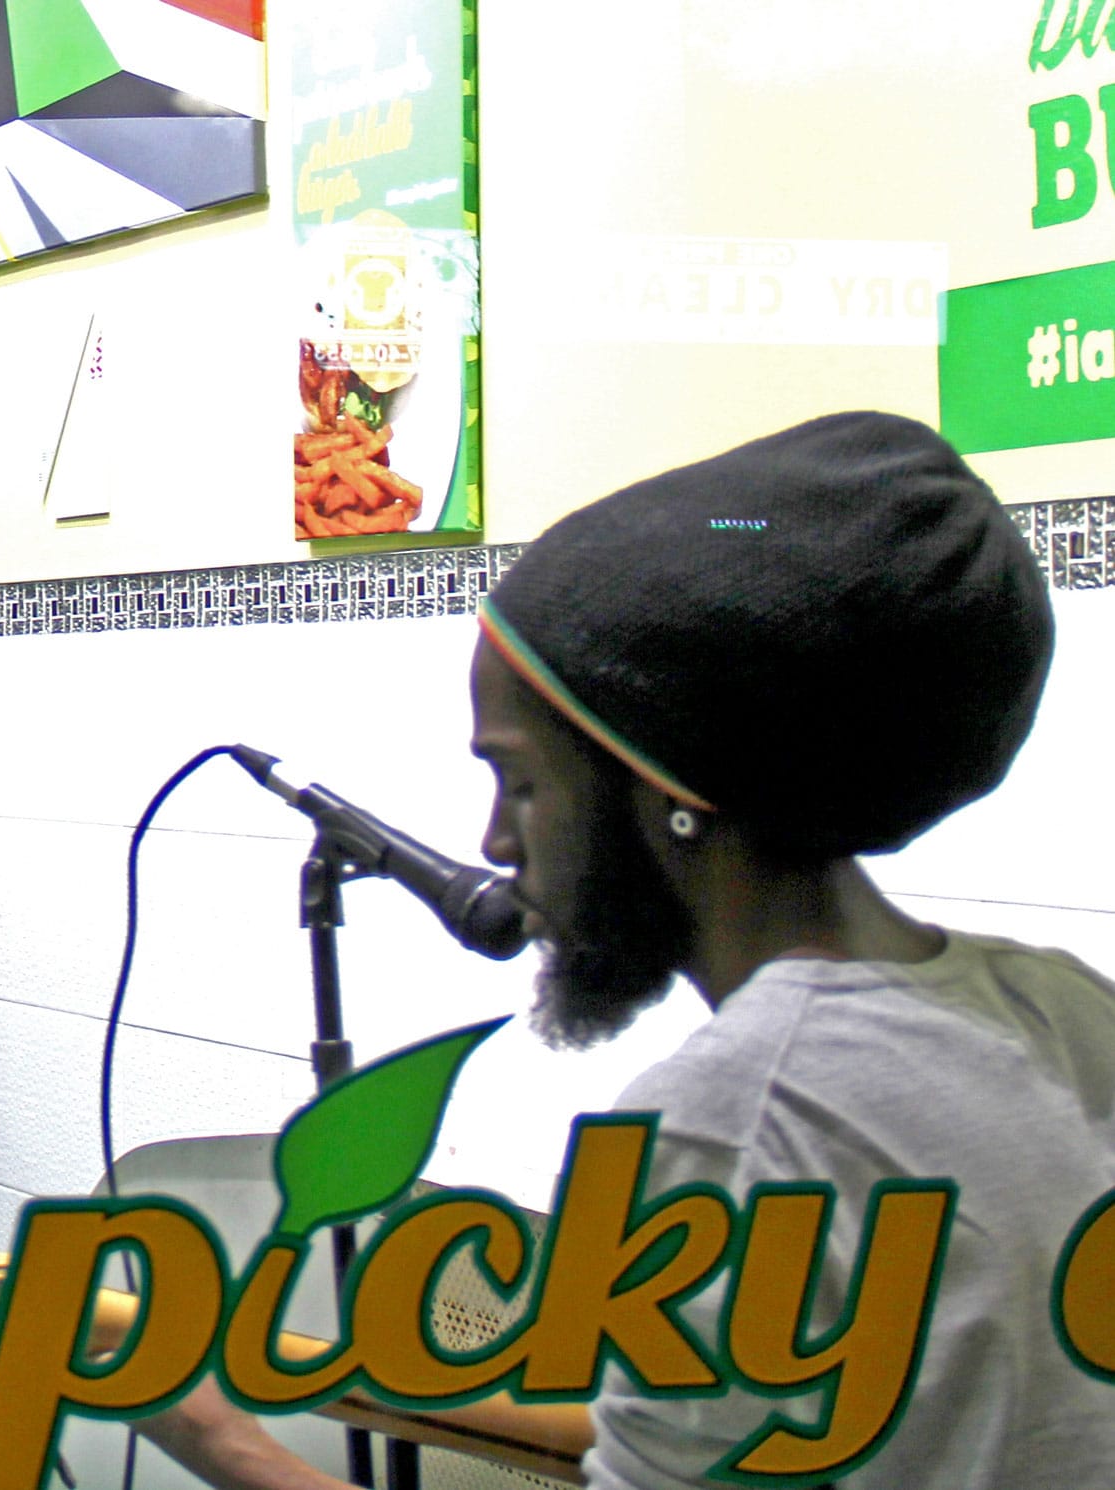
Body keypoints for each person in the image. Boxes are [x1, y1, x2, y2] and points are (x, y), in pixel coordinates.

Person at [137, 413, 1115, 1487]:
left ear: (670, 796)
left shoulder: (738, 1120)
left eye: (520, 782)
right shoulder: (1065, 1012)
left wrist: (213, 1434)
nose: (493, 843)